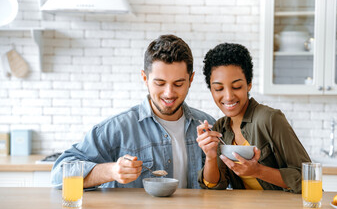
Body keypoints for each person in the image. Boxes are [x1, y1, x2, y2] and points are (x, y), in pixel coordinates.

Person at [51, 34, 215, 189]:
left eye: (178, 84)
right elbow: (59, 174)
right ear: (145, 78)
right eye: (160, 83)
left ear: (191, 80)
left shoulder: (208, 125)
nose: (169, 93)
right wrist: (112, 171)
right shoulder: (119, 128)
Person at [196, 43, 311, 194]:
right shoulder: (221, 127)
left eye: (236, 87)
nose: (229, 96)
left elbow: (308, 179)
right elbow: (214, 186)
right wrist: (210, 156)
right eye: (218, 89)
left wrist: (258, 171)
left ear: (249, 84)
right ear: (211, 89)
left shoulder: (269, 119)